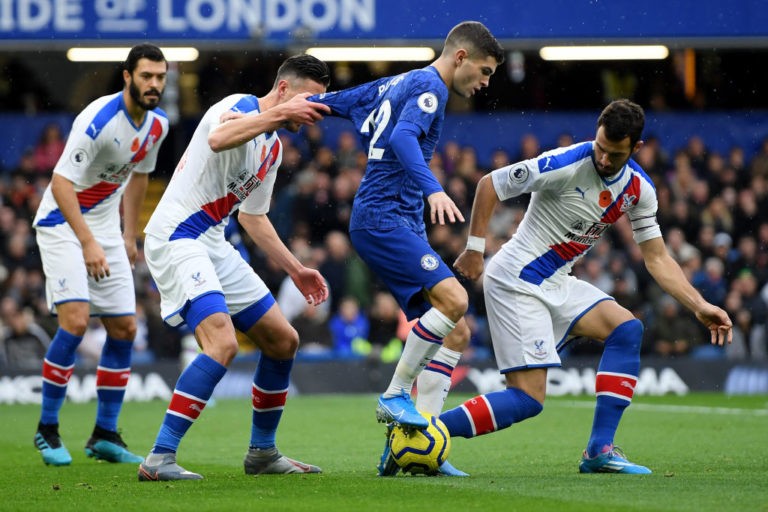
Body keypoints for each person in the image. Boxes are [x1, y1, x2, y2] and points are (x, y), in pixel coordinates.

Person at [448, 99, 732, 474]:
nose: (602, 159)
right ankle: (422, 432)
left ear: (636, 149)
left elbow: (657, 258)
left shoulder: (639, 190)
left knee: (627, 328)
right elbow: (490, 184)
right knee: (527, 399)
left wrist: (698, 305)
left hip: (558, 281)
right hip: (516, 280)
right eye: (599, 147)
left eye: (613, 154)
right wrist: (474, 249)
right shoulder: (566, 163)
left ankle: (599, 450)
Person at [312, 20, 504, 476]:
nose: (485, 82)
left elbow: (346, 100)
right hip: (384, 218)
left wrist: (298, 105)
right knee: (455, 300)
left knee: (455, 333)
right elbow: (400, 138)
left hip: (395, 221)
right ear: (460, 57)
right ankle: (395, 396)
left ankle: (411, 448)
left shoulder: (401, 80)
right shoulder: (428, 88)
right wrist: (433, 189)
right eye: (484, 71)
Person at [137, 54, 331, 482]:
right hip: (177, 235)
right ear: (283, 89)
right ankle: (158, 458)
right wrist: (281, 112)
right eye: (309, 99)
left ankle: (262, 453)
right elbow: (219, 138)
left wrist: (296, 269)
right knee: (222, 343)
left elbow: (252, 218)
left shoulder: (274, 148)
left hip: (213, 240)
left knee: (283, 340)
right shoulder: (239, 106)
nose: (315, 110)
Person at [31, 43, 169, 467]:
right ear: (127, 76)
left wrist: (129, 236)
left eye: (161, 77)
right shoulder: (98, 119)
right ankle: (47, 429)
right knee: (74, 322)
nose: (154, 85)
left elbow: (140, 179)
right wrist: (88, 241)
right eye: (146, 76)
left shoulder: (158, 126)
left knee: (125, 328)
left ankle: (104, 434)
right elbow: (59, 183)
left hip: (107, 231)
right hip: (62, 226)